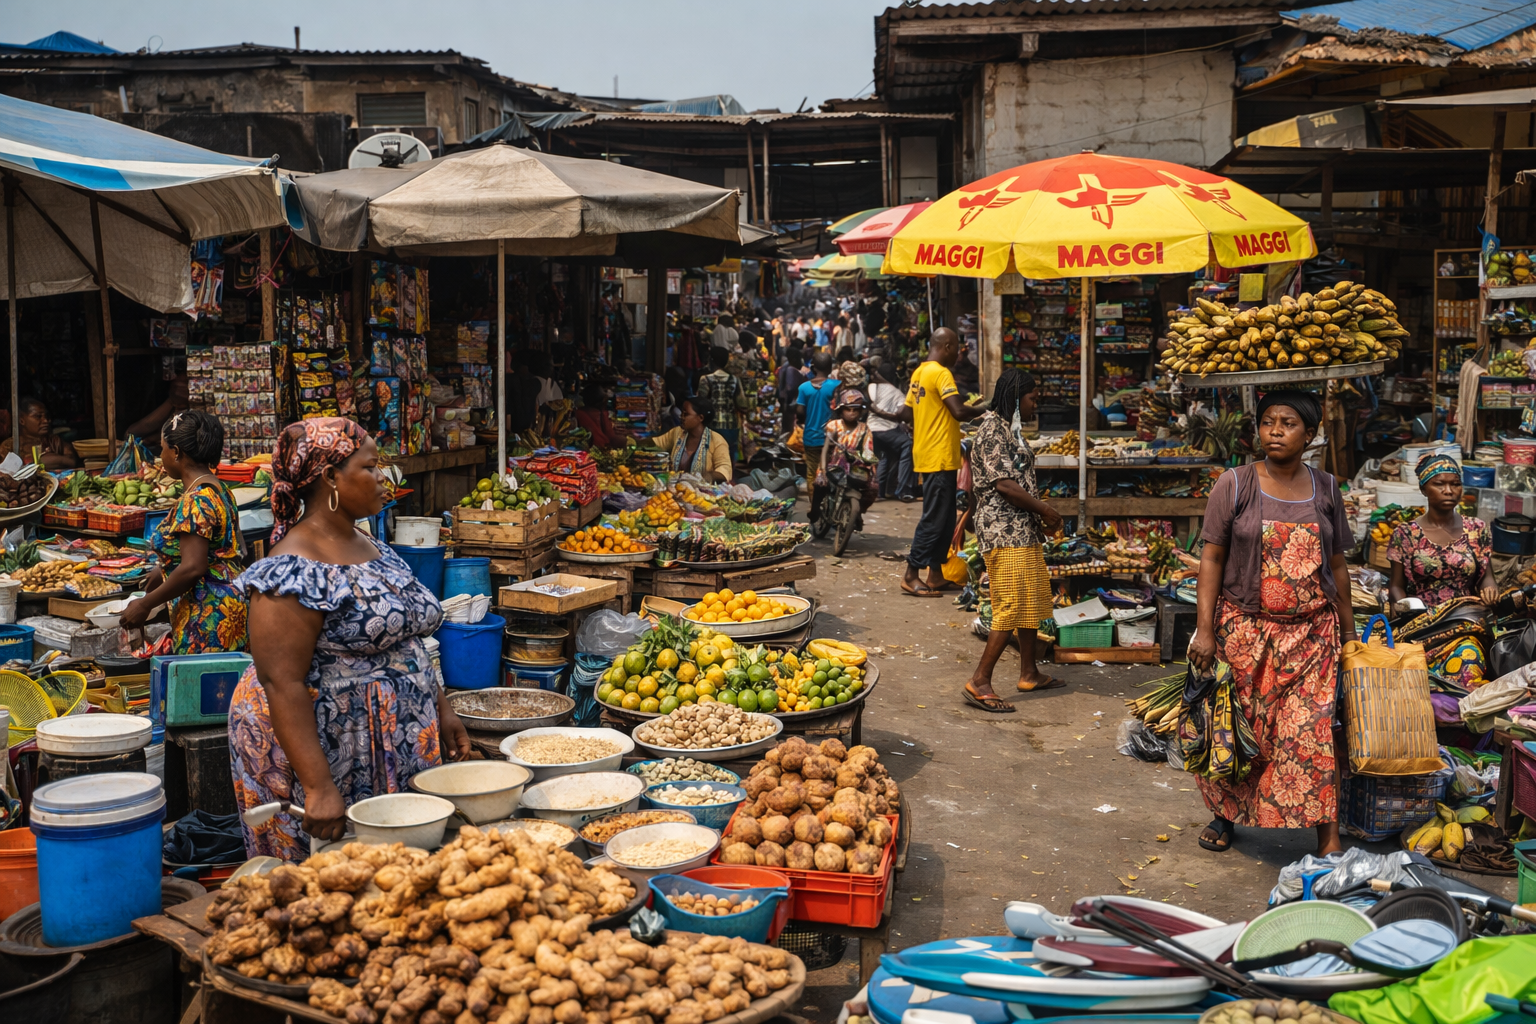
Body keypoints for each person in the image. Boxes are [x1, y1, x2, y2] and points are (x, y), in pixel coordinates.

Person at [229, 418, 472, 858]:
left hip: (391, 735)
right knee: (327, 880)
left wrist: (440, 706)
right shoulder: (291, 569)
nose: (384, 479)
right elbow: (281, 682)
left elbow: (404, 640)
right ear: (330, 478)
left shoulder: (370, 544)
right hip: (329, 745)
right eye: (371, 467)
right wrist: (318, 786)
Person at [1189, 390, 1354, 857]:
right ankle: (1226, 814)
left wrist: (1348, 632)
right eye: (1267, 422)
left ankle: (1328, 835)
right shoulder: (1235, 484)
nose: (1275, 431)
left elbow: (1337, 563)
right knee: (1244, 730)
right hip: (1245, 631)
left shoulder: (1326, 487)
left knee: (1312, 731)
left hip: (1312, 634)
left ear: (1311, 433)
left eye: (1287, 423)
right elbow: (1212, 558)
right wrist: (1205, 629)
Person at [963, 370, 1064, 712]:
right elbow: (1004, 484)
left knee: (1030, 601)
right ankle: (980, 680)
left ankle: (1029, 671)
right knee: (1010, 605)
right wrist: (1045, 510)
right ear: (1016, 398)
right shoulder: (992, 428)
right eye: (1033, 398)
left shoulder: (1010, 428)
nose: (1037, 403)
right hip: (1003, 531)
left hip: (1021, 529)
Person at [119, 410, 248, 653]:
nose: (160, 456)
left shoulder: (195, 501)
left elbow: (193, 567)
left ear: (177, 453)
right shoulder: (219, 490)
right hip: (229, 607)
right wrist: (165, 568)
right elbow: (213, 550)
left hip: (207, 616)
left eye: (163, 448)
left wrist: (145, 604)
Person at [1387, 452, 1497, 688]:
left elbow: (1487, 577)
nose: (1449, 490)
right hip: (1421, 623)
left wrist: (1490, 590)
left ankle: (1460, 716)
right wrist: (1402, 605)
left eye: (1455, 484)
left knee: (1468, 659)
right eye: (1439, 484)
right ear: (1424, 489)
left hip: (1464, 621)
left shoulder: (1478, 529)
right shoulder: (1405, 534)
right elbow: (1396, 584)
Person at [903, 328, 982, 597]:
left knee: (946, 519)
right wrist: (987, 408)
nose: (959, 354)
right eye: (958, 348)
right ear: (947, 346)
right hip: (937, 456)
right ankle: (912, 572)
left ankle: (935, 574)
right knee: (935, 519)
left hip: (932, 454)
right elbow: (958, 410)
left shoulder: (919, 372)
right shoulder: (940, 372)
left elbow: (907, 411)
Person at [818, 390, 879, 532]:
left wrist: (870, 463)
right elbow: (825, 449)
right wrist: (821, 470)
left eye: (855, 410)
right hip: (835, 464)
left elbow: (868, 450)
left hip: (857, 466)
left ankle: (857, 513)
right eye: (848, 409)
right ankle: (817, 512)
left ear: (860, 412)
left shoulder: (865, 429)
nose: (851, 413)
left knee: (872, 489)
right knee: (820, 486)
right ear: (841, 410)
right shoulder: (834, 426)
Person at [796, 351, 839, 517]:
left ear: (813, 367)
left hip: (811, 438)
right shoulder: (836, 385)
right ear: (830, 368)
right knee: (832, 471)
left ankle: (814, 504)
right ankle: (831, 505)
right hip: (833, 438)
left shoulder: (804, 388)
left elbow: (800, 412)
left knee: (811, 472)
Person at [650, 395, 733, 481]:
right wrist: (636, 441)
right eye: (682, 413)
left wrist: (710, 476)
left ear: (700, 418)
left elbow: (725, 469)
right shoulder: (678, 433)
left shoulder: (717, 441)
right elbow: (656, 442)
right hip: (676, 490)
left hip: (703, 492)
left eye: (686, 414)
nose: (681, 416)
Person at [868, 368, 916, 502]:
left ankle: (880, 491)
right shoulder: (897, 393)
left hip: (871, 429)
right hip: (887, 431)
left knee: (883, 456)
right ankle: (903, 488)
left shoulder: (871, 387)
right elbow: (903, 414)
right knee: (908, 444)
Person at [698, 346, 751, 466]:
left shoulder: (705, 379)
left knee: (711, 462)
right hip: (731, 428)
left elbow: (700, 404)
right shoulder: (734, 380)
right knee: (728, 462)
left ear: (711, 360)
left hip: (712, 427)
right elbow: (742, 404)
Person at [1, 396, 79, 469]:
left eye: (46, 416)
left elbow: (71, 461)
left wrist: (34, 462)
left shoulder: (54, 440)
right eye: (38, 416)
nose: (46, 421)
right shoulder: (9, 445)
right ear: (22, 420)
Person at [122, 372, 191, 446]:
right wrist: (172, 401)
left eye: (183, 384)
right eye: (175, 385)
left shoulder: (193, 415)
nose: (178, 388)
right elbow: (131, 433)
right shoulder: (171, 406)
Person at [575, 385, 634, 449]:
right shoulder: (600, 413)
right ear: (603, 401)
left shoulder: (578, 412)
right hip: (599, 447)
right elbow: (611, 437)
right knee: (627, 441)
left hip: (590, 446)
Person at [777, 349, 806, 435]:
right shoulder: (791, 370)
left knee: (786, 429)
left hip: (786, 405)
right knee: (790, 430)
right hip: (790, 406)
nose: (801, 362)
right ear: (793, 359)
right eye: (799, 359)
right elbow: (790, 388)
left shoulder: (784, 367)